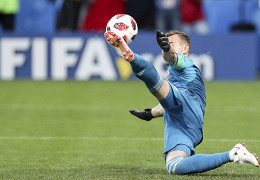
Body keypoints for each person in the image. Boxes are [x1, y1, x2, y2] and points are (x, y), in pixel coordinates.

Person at [104, 29, 259, 175]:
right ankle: (234, 153)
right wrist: (150, 113)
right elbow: (168, 102)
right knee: (174, 166)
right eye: (164, 44)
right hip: (181, 125)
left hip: (187, 108)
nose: (166, 47)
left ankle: (130, 56)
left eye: (171, 44)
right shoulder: (172, 75)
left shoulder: (185, 63)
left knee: (155, 83)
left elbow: (172, 57)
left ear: (185, 48)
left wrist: (167, 50)